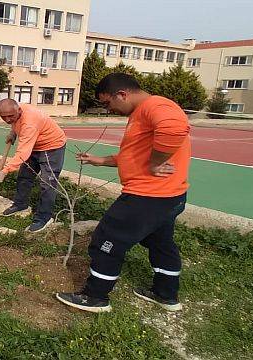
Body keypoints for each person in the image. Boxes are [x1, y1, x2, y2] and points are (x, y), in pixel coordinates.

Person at [56, 73, 191, 313]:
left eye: (108, 103)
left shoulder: (155, 106)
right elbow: (133, 156)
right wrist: (100, 160)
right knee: (160, 243)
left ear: (122, 94)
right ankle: (165, 294)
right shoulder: (140, 113)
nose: (109, 109)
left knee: (106, 241)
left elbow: (173, 128)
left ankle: (95, 297)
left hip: (147, 197)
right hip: (170, 196)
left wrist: (156, 162)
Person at [0, 99, 66, 233]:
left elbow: (23, 153)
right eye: (3, 117)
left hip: (51, 147)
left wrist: (4, 171)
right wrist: (13, 132)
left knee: (47, 183)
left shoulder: (30, 122)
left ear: (18, 110)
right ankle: (20, 204)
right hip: (34, 145)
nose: (7, 120)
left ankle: (44, 218)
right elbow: (15, 122)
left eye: (10, 116)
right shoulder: (16, 110)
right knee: (24, 177)